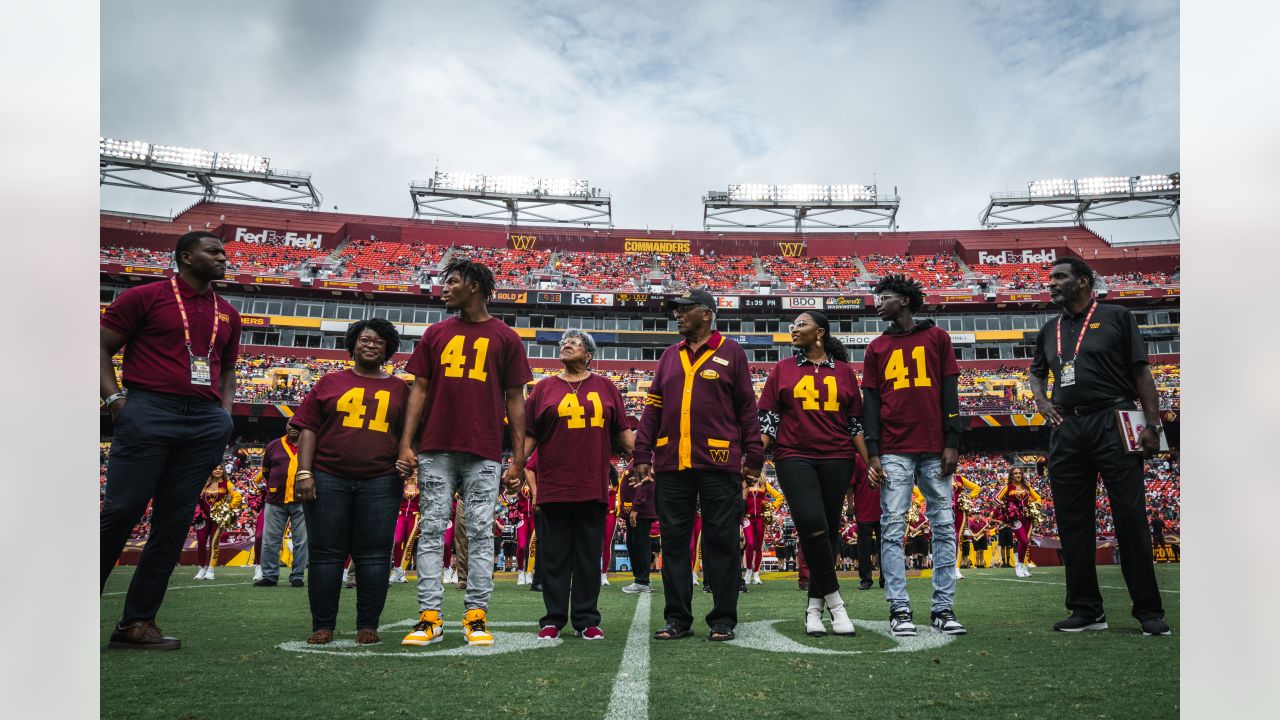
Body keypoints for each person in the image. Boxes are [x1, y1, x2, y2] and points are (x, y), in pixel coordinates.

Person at [100, 231, 240, 650]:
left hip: (203, 421)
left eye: (223, 252)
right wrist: (114, 399)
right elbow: (99, 345)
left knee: (173, 522)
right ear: (185, 256)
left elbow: (228, 371)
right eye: (212, 251)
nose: (222, 257)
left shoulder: (228, 313)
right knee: (122, 511)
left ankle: (137, 623)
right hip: (148, 409)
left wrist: (225, 417)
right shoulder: (145, 297)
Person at [1029, 258, 1170, 635]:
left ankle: (1149, 611)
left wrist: (1153, 424)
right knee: (1072, 523)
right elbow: (1036, 373)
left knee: (1129, 516)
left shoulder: (1117, 316)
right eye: (1051, 278)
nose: (1052, 284)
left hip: (1114, 420)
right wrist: (1042, 401)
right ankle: (1087, 610)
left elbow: (1141, 371)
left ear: (1084, 282)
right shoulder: (1049, 329)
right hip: (1067, 427)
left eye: (1060, 277)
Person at [399, 259, 533, 648]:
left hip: (483, 449)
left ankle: (476, 615)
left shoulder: (505, 337)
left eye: (453, 281)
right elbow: (419, 390)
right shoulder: (435, 332)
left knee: (478, 532)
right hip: (436, 446)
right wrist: (407, 442)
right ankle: (429, 616)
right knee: (430, 529)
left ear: (474, 286)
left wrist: (519, 457)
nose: (445, 287)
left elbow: (515, 399)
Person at [632, 289, 764, 642]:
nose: (677, 315)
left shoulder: (731, 352)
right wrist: (642, 455)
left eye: (684, 310)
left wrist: (754, 457)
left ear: (705, 314)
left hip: (719, 464)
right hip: (672, 462)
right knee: (675, 543)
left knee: (721, 541)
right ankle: (677, 619)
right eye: (676, 310)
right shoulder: (669, 357)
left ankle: (722, 619)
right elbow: (652, 411)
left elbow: (747, 410)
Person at [290, 318, 410, 646]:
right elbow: (308, 429)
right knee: (326, 553)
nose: (370, 345)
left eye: (378, 342)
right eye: (364, 340)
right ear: (353, 344)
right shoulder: (329, 382)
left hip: (381, 479)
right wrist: (304, 472)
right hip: (329, 476)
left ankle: (367, 623)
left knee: (373, 554)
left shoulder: (400, 388)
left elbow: (408, 435)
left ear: (389, 349)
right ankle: (323, 623)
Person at [862, 274, 967, 637]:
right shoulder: (875, 347)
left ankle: (942, 606)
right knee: (892, 525)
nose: (877, 303)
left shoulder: (938, 338)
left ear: (905, 300)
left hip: (936, 446)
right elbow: (871, 403)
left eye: (885, 297)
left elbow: (950, 392)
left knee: (942, 525)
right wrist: (873, 452)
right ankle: (899, 606)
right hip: (893, 447)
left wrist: (952, 441)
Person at [757, 310, 872, 637]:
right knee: (811, 523)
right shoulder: (782, 369)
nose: (794, 329)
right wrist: (755, 456)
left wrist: (870, 464)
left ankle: (813, 609)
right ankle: (836, 603)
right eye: (793, 325)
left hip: (838, 457)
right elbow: (768, 420)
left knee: (828, 530)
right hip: (793, 456)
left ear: (819, 333)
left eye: (801, 324)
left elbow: (855, 425)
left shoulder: (846, 373)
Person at [523, 329, 633, 640]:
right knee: (555, 557)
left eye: (574, 343)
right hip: (555, 484)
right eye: (563, 343)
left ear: (589, 354)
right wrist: (517, 466)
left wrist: (643, 460)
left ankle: (586, 618)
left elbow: (623, 432)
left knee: (587, 557)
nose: (566, 345)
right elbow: (530, 435)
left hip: (591, 484)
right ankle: (553, 619)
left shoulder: (606, 387)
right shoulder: (543, 388)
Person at [254, 423, 309, 588]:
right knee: (270, 540)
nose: (292, 428)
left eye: (296, 425)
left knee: (301, 540)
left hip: (302, 500)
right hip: (276, 499)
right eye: (289, 425)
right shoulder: (273, 445)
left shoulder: (310, 444)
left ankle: (297, 576)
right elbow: (265, 471)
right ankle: (269, 576)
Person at [192, 466, 242, 580]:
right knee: (201, 542)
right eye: (215, 468)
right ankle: (201, 569)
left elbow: (237, 497)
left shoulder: (227, 483)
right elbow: (196, 499)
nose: (218, 470)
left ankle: (211, 570)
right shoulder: (205, 484)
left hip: (218, 520)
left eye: (220, 468)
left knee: (214, 543)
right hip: (203, 518)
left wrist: (227, 508)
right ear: (211, 471)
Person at [997, 467, 1042, 578]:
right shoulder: (1008, 487)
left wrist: (1034, 506)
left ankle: (1022, 565)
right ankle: (1019, 565)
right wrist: (1005, 507)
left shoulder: (1026, 487)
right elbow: (996, 498)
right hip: (1014, 518)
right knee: (1023, 540)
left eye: (1019, 473)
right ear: (1011, 475)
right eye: (1015, 473)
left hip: (1027, 517)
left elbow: (1038, 497)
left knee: (1025, 542)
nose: (1018, 475)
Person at [620, 465, 658, 594]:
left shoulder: (642, 460)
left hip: (640, 512)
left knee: (640, 544)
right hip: (634, 511)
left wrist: (636, 507)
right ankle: (640, 579)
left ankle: (642, 581)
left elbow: (644, 484)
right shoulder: (635, 459)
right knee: (633, 543)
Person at [850, 455, 883, 590]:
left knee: (885, 547)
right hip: (863, 508)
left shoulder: (884, 455)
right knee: (864, 548)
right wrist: (850, 504)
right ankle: (865, 579)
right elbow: (851, 483)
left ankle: (886, 579)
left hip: (884, 509)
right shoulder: (858, 458)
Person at [741, 476, 782, 585]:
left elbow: (779, 497)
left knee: (758, 546)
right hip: (747, 518)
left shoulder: (764, 483)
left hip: (760, 518)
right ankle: (748, 571)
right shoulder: (744, 482)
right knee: (749, 544)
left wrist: (771, 506)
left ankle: (756, 573)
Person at [951, 473, 982, 579]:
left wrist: (967, 497)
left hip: (960, 512)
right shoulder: (938, 476)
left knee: (958, 539)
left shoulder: (959, 478)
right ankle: (944, 568)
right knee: (946, 539)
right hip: (944, 511)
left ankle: (956, 568)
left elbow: (977, 488)